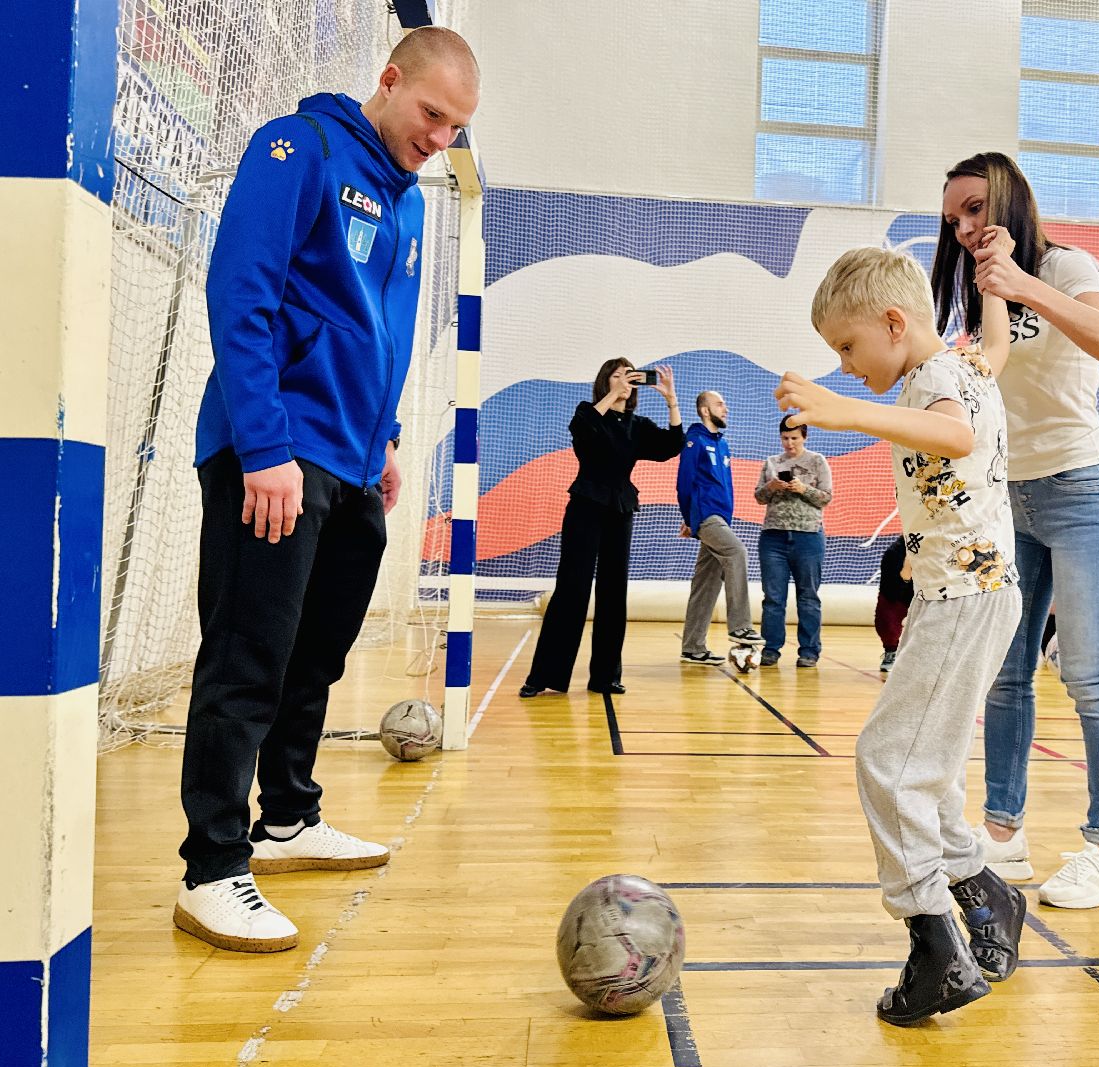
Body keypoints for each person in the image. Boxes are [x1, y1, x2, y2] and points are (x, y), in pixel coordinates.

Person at [175, 29, 481, 952]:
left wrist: (383, 440)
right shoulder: (297, 147)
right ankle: (212, 867)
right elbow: (242, 292)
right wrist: (264, 447)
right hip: (276, 451)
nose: (439, 139)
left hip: (351, 463)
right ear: (388, 81)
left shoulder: (409, 205)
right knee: (247, 657)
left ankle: (287, 819)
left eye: (456, 128)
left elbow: (381, 336)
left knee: (315, 657)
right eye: (431, 114)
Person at [779, 244, 1025, 1027]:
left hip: (963, 598)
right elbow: (997, 347)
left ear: (894, 323)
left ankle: (935, 946)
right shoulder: (964, 364)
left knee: (887, 763)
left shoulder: (933, 381)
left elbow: (952, 437)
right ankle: (986, 896)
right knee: (931, 767)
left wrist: (843, 413)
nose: (845, 367)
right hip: (966, 595)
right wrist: (993, 285)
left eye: (848, 347)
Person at [933, 152, 1099, 908]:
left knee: (1087, 674)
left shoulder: (1066, 267)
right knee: (1006, 672)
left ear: (1010, 199)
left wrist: (1023, 284)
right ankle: (1003, 832)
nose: (965, 227)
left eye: (975, 208)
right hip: (1009, 499)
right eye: (954, 217)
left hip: (1084, 488)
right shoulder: (978, 294)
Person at [519, 359, 683, 699]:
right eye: (616, 375)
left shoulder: (638, 425)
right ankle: (544, 676)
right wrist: (612, 395)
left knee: (613, 593)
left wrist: (671, 401)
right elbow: (583, 428)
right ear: (605, 382)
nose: (624, 381)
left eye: (628, 376)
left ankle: (605, 677)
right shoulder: (588, 413)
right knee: (572, 589)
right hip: (586, 506)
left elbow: (670, 446)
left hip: (620, 509)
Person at [678, 391, 762, 663]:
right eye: (719, 404)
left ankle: (692, 647)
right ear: (705, 410)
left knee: (706, 582)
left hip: (720, 519)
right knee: (736, 552)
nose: (725, 408)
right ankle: (740, 625)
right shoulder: (695, 440)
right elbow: (684, 483)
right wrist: (690, 519)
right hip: (706, 516)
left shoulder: (722, 444)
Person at [754, 418, 833, 667]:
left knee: (808, 596)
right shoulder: (771, 462)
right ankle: (771, 649)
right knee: (773, 597)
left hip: (808, 536)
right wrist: (771, 486)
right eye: (785, 438)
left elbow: (826, 498)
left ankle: (809, 651)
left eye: (794, 438)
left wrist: (803, 489)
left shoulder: (817, 461)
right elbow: (759, 497)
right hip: (773, 537)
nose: (789, 443)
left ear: (804, 437)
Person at [874, 535, 913, 674]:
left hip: (931, 587)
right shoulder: (894, 553)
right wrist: (905, 576)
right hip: (897, 589)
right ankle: (891, 651)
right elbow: (889, 590)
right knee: (886, 618)